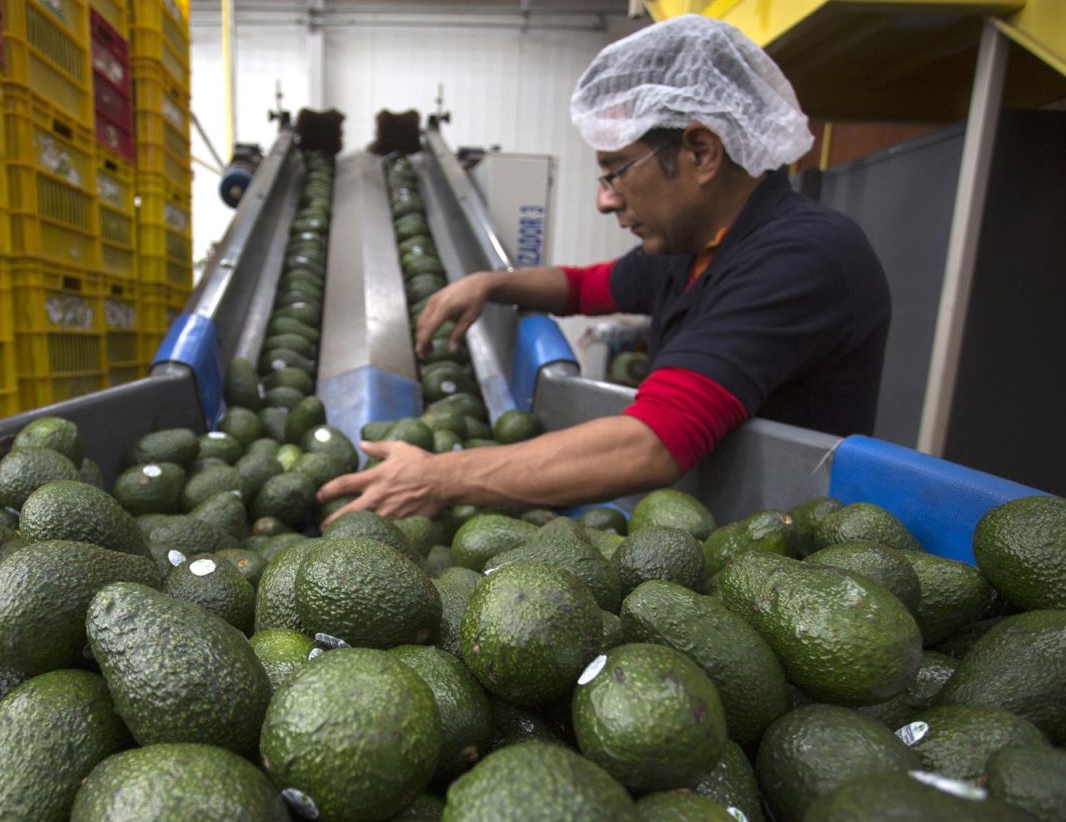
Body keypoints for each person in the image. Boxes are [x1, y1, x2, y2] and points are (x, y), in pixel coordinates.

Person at [319, 14, 890, 524]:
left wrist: (440, 477)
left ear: (701, 152)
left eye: (615, 171)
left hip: (782, 561)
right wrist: (490, 283)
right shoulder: (695, 247)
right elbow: (582, 287)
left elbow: (651, 442)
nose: (605, 201)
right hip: (699, 531)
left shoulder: (801, 259)